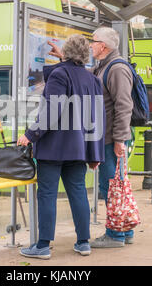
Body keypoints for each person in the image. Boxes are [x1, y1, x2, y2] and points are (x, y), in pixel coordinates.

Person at [17, 34, 105, 259]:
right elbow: (97, 117)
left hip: (54, 147)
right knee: (77, 192)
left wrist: (30, 134)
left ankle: (43, 246)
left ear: (66, 53)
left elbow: (51, 111)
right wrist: (94, 152)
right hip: (78, 149)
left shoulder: (59, 75)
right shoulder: (91, 79)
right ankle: (84, 242)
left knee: (47, 194)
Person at [48, 26, 134, 248]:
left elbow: (124, 106)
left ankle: (115, 235)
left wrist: (119, 140)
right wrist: (64, 58)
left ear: (103, 46)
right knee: (117, 184)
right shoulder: (103, 66)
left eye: (93, 41)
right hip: (106, 137)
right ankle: (125, 230)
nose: (90, 44)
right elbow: (85, 75)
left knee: (111, 186)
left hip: (111, 139)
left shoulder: (117, 69)